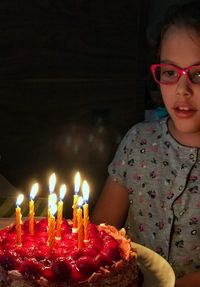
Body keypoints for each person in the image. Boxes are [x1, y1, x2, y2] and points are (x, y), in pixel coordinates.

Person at [91, 1, 200, 286]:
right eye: (169, 72)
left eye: (199, 74)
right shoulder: (139, 141)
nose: (182, 89)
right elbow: (101, 231)